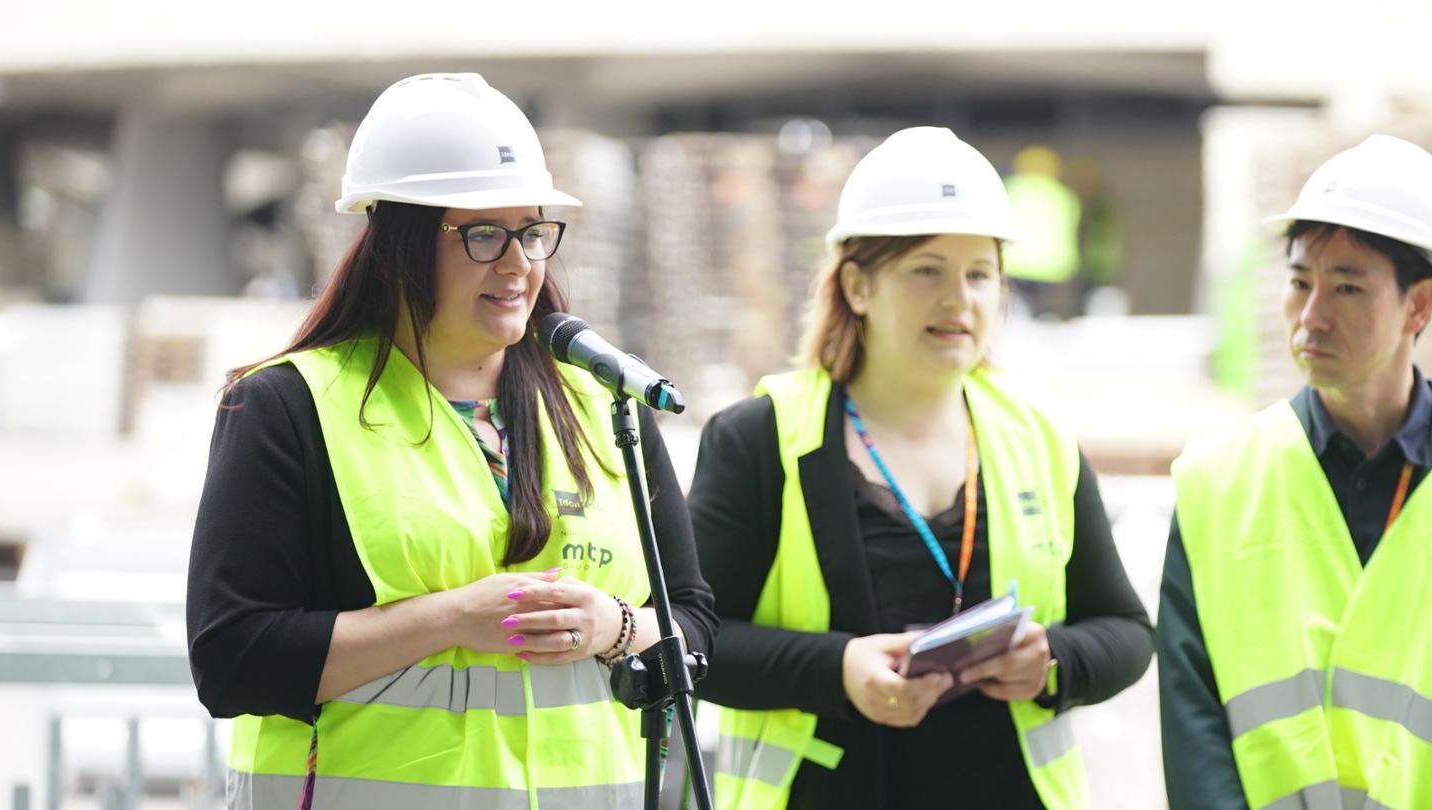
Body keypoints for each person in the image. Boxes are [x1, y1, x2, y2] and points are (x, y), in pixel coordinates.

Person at [185, 73, 715, 809]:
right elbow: (233, 660)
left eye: (532, 232)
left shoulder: (604, 406)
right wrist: (452, 619)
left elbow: (695, 624)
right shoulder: (289, 406)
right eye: (484, 233)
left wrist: (615, 626)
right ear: (398, 247)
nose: (519, 263)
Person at [690, 127, 1152, 810]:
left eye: (980, 274)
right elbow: (692, 642)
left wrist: (1052, 661)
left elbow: (1126, 632)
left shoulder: (1039, 439)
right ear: (858, 285)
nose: (959, 299)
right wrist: (838, 669)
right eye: (927, 270)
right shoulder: (760, 440)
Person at [1157, 135, 1432, 810]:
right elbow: (1191, 721)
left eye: (1347, 287)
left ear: (1420, 305)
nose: (1311, 317)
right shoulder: (1216, 484)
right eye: (1299, 283)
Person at [1003, 145, 1083, 320]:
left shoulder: (1011, 188)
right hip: (1054, 266)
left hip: (1018, 262)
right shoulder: (1064, 195)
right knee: (1044, 310)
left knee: (1019, 306)